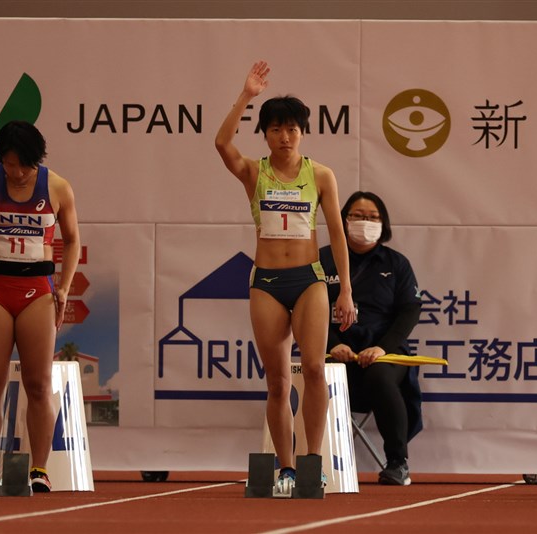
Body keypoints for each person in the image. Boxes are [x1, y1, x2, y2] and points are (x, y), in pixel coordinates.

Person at [215, 61, 356, 497]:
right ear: (265, 134)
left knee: (314, 368)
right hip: (267, 283)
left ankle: (313, 460)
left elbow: (336, 233)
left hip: (310, 279)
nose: (285, 136)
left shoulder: (321, 175)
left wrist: (345, 291)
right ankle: (287, 468)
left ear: (302, 133)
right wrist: (246, 96)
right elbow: (222, 143)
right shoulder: (254, 173)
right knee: (276, 381)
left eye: (292, 129)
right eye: (275, 129)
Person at [0, 120, 80, 493]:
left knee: (39, 384)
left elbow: (73, 240)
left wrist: (63, 288)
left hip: (37, 290)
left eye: (23, 166)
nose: (17, 173)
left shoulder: (57, 187)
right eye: (9, 166)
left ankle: (39, 471)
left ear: (36, 160)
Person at [320, 191, 423, 486]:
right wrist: (331, 345)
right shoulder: (323, 260)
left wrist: (381, 348)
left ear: (383, 223)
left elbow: (409, 311)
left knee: (379, 375)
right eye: (357, 216)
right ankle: (313, 460)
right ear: (343, 220)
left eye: (372, 217)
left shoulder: (397, 263)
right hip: (335, 352)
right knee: (313, 373)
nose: (365, 222)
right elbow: (305, 309)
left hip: (385, 354)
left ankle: (397, 463)